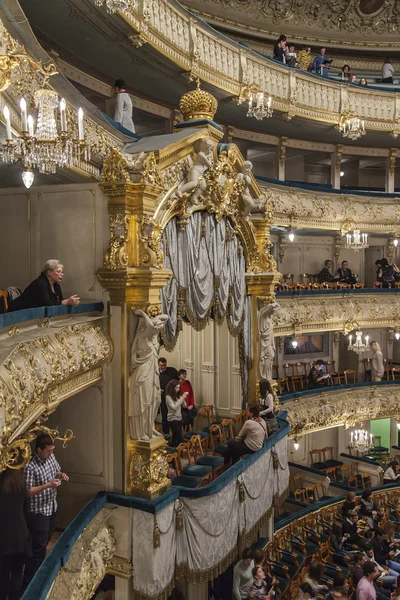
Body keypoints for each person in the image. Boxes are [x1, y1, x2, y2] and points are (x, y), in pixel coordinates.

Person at [22, 434, 69, 591]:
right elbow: (27, 491)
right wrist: (47, 485)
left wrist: (61, 475)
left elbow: (55, 470)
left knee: (46, 540)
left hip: (51, 507)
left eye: (52, 451)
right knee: (39, 548)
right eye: (48, 451)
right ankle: (31, 584)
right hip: (38, 512)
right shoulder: (30, 467)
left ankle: (38, 576)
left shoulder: (50, 457)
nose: (50, 453)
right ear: (39, 450)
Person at [0, 468, 31, 600]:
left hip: (4, 536)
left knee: (4, 572)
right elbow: (26, 510)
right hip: (20, 536)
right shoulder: (22, 488)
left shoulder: (1, 490)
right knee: (18, 572)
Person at [8, 259, 80, 312]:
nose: (62, 274)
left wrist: (69, 302)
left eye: (62, 272)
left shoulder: (56, 286)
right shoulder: (40, 283)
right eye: (58, 272)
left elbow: (58, 303)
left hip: (34, 314)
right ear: (49, 272)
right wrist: (67, 302)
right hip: (17, 312)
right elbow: (47, 305)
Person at [159, 358, 179, 435]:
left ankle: (175, 434)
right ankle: (166, 435)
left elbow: (177, 381)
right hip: (163, 399)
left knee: (174, 416)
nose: (163, 367)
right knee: (165, 416)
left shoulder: (172, 371)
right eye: (161, 365)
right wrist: (158, 389)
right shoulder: (156, 373)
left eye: (164, 365)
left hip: (173, 398)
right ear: (158, 365)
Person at [165, 379, 187, 447]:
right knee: (180, 437)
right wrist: (182, 398)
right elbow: (174, 407)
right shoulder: (168, 397)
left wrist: (183, 398)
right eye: (176, 388)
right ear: (172, 388)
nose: (178, 389)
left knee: (175, 437)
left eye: (179, 388)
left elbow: (184, 406)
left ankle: (174, 452)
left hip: (179, 418)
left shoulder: (178, 396)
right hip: (172, 419)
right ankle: (183, 450)